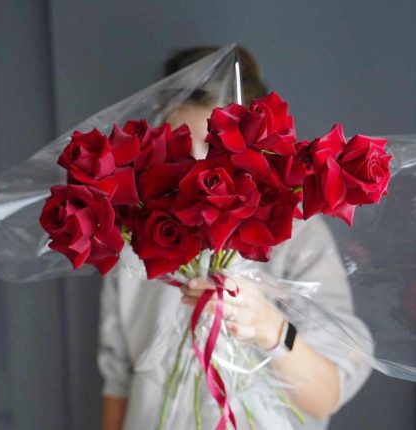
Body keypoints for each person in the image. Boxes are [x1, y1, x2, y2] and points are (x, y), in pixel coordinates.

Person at [98, 46, 373, 430]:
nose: (195, 172)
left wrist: (268, 325)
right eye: (178, 151)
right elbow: (118, 377)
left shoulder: (294, 233)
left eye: (213, 150)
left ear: (253, 148)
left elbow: (325, 395)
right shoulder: (136, 235)